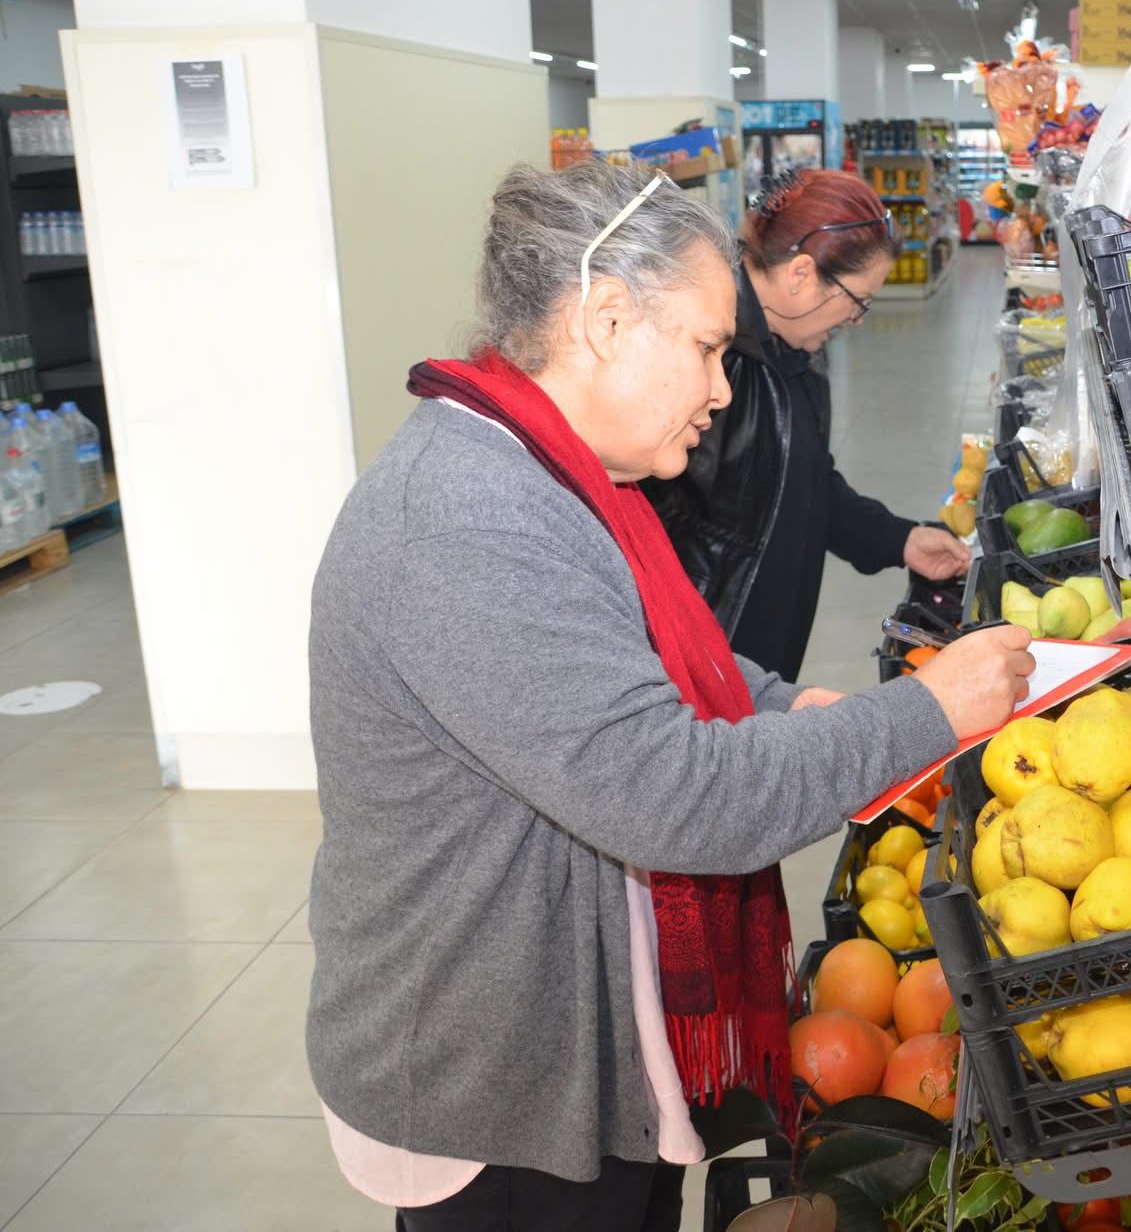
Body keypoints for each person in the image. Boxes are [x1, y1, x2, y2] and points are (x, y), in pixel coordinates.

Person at [304, 161, 1033, 1231]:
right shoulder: (462, 521)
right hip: (496, 1083)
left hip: (577, 1028)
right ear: (604, 319)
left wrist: (785, 706)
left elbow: (637, 653)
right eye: (702, 348)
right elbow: (673, 798)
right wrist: (927, 712)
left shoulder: (550, 474)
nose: (723, 388)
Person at [642, 169, 971, 680]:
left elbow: (803, 479)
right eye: (857, 299)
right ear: (800, 274)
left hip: (767, 639)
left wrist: (898, 539)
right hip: (708, 651)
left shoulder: (795, 348)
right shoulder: (710, 359)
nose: (857, 318)